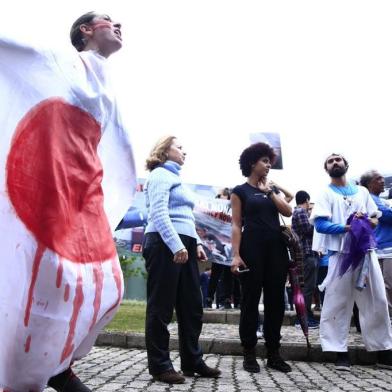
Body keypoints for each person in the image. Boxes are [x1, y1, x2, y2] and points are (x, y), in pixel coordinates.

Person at [0, 12, 136, 392]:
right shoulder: (57, 61)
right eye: (108, 19)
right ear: (86, 31)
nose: (119, 24)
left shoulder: (105, 81)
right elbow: (13, 54)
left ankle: (58, 364)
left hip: (84, 195)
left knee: (109, 288)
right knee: (48, 283)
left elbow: (115, 144)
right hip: (46, 190)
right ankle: (27, 377)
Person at [143, 136, 221, 384]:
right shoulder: (159, 174)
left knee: (192, 307)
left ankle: (192, 361)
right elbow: (158, 212)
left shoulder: (176, 179)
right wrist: (175, 244)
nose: (184, 151)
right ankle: (160, 366)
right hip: (164, 242)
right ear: (164, 151)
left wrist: (195, 243)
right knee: (161, 307)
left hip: (183, 244)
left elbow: (185, 215)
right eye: (180, 147)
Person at [311, 153, 392, 371]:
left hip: (366, 253)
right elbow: (320, 225)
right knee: (338, 303)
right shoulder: (325, 193)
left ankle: (383, 352)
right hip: (340, 255)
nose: (335, 162)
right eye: (330, 160)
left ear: (347, 165)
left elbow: (375, 218)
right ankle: (340, 353)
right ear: (326, 168)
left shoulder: (363, 192)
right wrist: (348, 227)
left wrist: (365, 222)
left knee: (378, 300)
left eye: (339, 159)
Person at [231, 142, 293, 373]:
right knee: (250, 301)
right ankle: (249, 353)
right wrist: (235, 255)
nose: (268, 165)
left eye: (270, 161)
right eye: (264, 161)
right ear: (251, 163)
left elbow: (287, 211)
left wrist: (270, 191)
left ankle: (273, 353)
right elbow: (236, 225)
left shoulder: (271, 190)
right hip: (251, 249)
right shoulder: (240, 191)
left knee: (276, 301)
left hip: (276, 249)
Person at [360, 170, 392, 320]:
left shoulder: (380, 200)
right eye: (378, 178)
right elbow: (387, 216)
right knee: (387, 288)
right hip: (384, 250)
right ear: (369, 184)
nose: (382, 180)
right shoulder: (372, 200)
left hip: (384, 249)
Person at [291, 190, 319, 328]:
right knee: (308, 287)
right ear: (307, 200)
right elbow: (309, 230)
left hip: (305, 253)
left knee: (307, 286)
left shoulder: (298, 212)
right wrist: (317, 222)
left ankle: (304, 316)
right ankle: (304, 318)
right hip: (306, 253)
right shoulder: (301, 212)